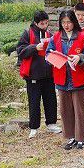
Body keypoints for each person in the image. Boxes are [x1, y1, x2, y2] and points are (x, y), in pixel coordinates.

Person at [47, 9, 84, 150]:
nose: (66, 25)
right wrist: (55, 58)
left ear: (74, 22)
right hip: (62, 78)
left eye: (69, 22)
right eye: (63, 22)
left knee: (80, 109)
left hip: (78, 78)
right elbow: (48, 53)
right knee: (65, 110)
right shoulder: (55, 37)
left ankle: (82, 137)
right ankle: (71, 137)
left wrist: (80, 58)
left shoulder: (82, 36)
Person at [15, 10, 60, 138]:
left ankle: (51, 123)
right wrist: (35, 47)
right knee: (34, 102)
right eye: (42, 23)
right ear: (36, 22)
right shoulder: (27, 34)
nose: (45, 25)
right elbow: (20, 50)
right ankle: (34, 127)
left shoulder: (49, 34)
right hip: (33, 75)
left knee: (50, 100)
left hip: (48, 74)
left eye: (46, 23)